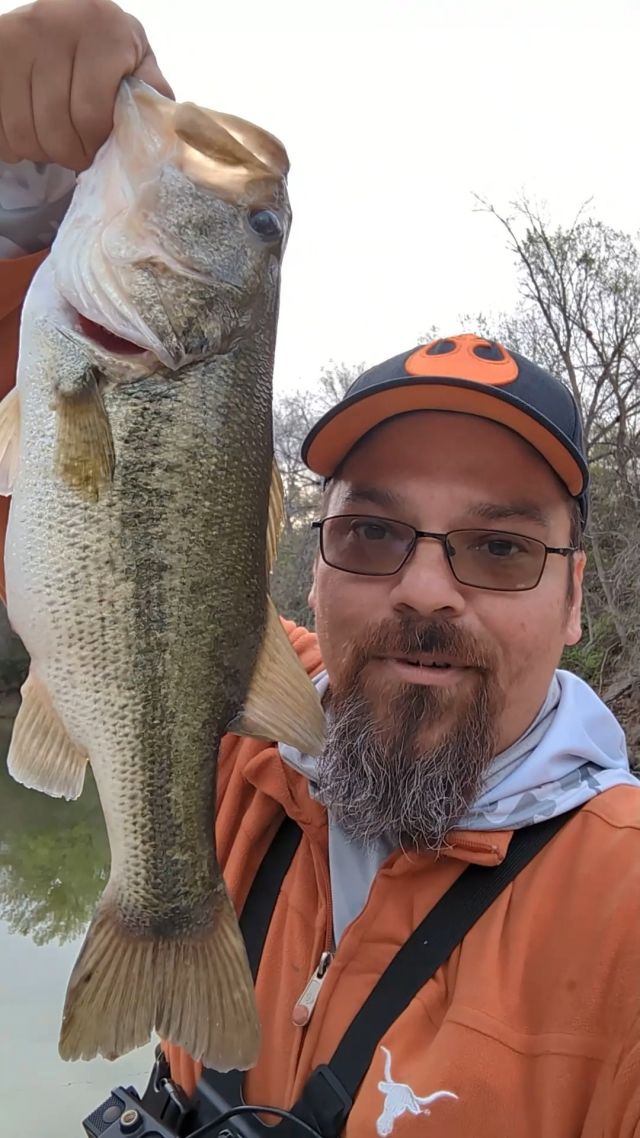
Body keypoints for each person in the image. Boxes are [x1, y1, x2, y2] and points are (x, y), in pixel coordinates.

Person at [1, 3, 640, 1136]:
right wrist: (22, 215)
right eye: (372, 532)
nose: (426, 590)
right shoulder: (241, 744)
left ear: (577, 594)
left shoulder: (621, 910)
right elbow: (62, 535)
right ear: (309, 571)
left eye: (499, 547)